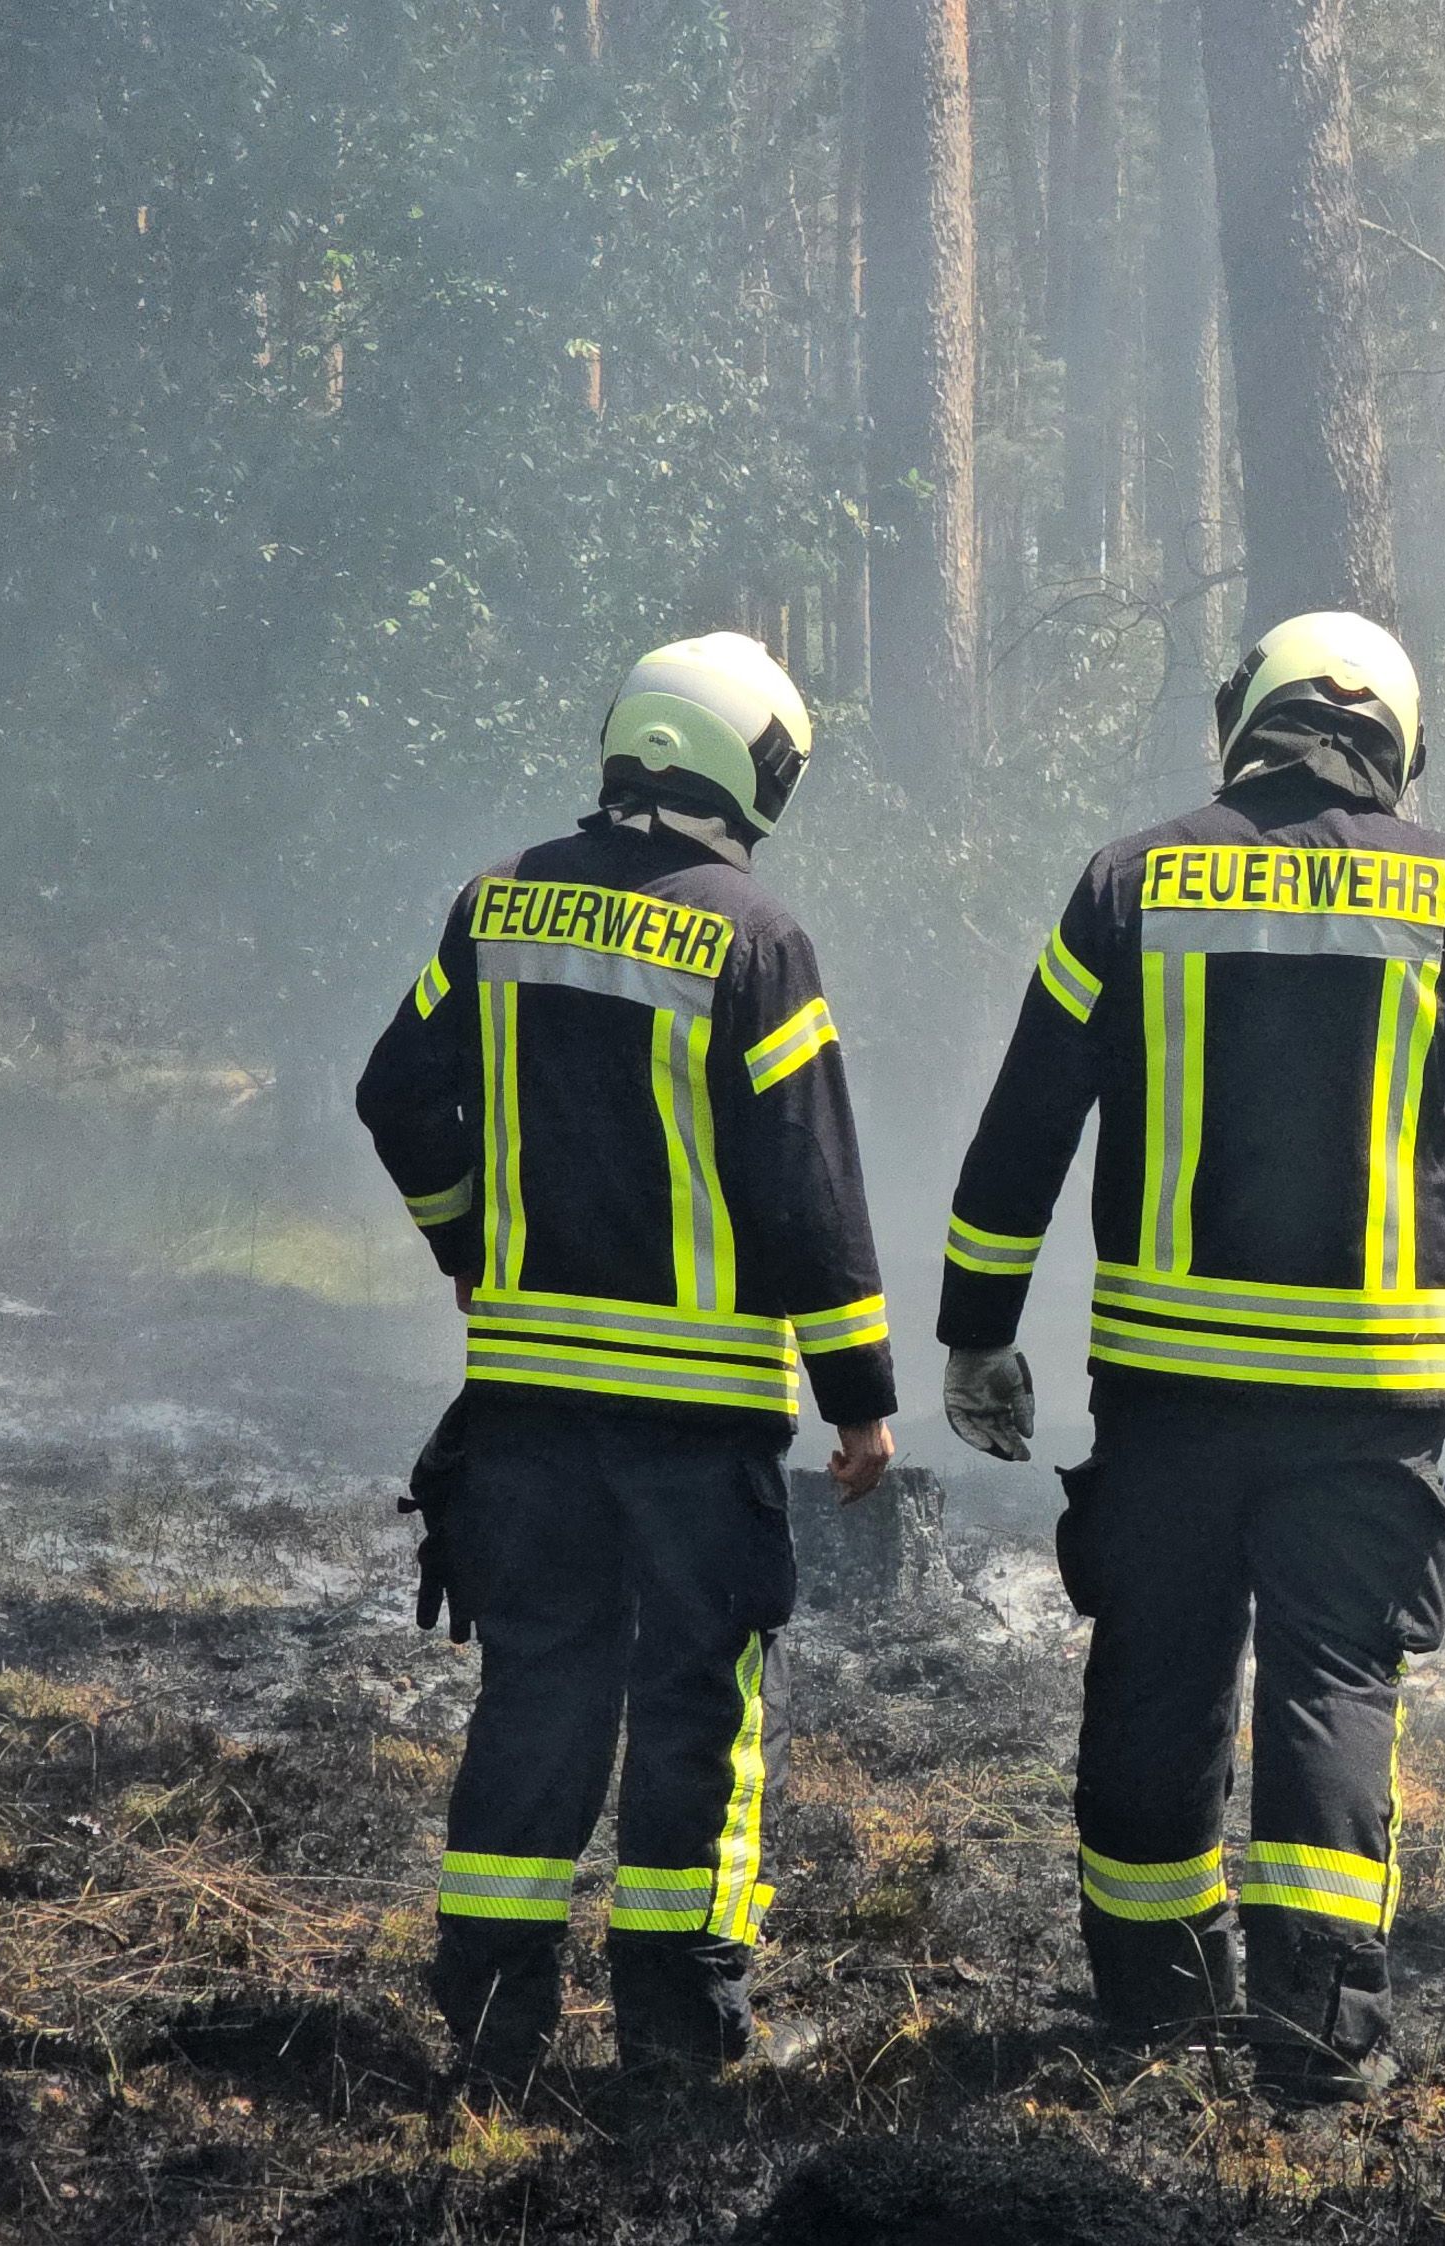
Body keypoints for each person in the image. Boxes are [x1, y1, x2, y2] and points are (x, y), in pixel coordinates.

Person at [932, 610, 1445, 2102]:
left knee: (1156, 1670)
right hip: (1366, 1395)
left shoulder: (1130, 878)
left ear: (1245, 719)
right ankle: (1317, 2021)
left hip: (1167, 1390)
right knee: (1330, 1676)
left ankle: (1153, 1994)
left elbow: (1026, 1119)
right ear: (1395, 738)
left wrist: (976, 1326)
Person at [356, 632, 897, 2088]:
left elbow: (396, 1092)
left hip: (526, 1403)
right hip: (693, 1415)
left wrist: (467, 1244)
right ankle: (675, 2020)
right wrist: (859, 1400)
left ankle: (492, 2014)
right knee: (692, 1704)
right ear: (743, 766)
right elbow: (804, 1187)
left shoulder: (497, 905)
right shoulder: (753, 936)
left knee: (538, 1681)